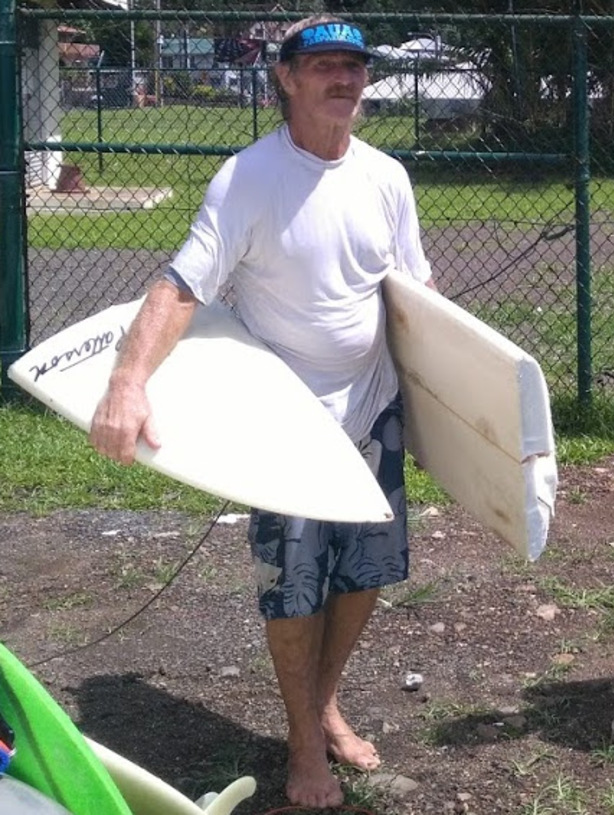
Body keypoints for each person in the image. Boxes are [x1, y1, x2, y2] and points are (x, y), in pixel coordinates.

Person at [89, 16, 434, 807]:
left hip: (374, 405)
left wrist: (449, 405)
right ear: (285, 78)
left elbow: (415, 296)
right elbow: (182, 286)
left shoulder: (387, 177)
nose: (343, 79)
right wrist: (128, 382)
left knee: (366, 573)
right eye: (323, 66)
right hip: (287, 422)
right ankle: (305, 744)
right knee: (295, 586)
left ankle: (324, 701)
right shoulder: (248, 179)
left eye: (354, 66)